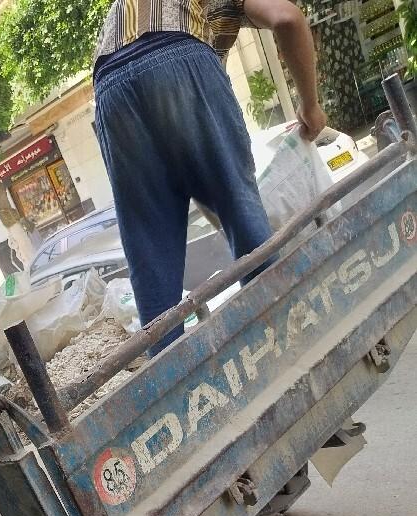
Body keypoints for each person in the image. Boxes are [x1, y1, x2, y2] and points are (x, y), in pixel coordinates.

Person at [93, 0, 327, 351]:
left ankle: (176, 385)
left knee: (151, 259)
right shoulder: (195, 31)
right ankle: (293, 338)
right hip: (177, 55)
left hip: (108, 92)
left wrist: (228, 215)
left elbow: (197, 176)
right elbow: (288, 18)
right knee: (243, 215)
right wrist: (311, 105)